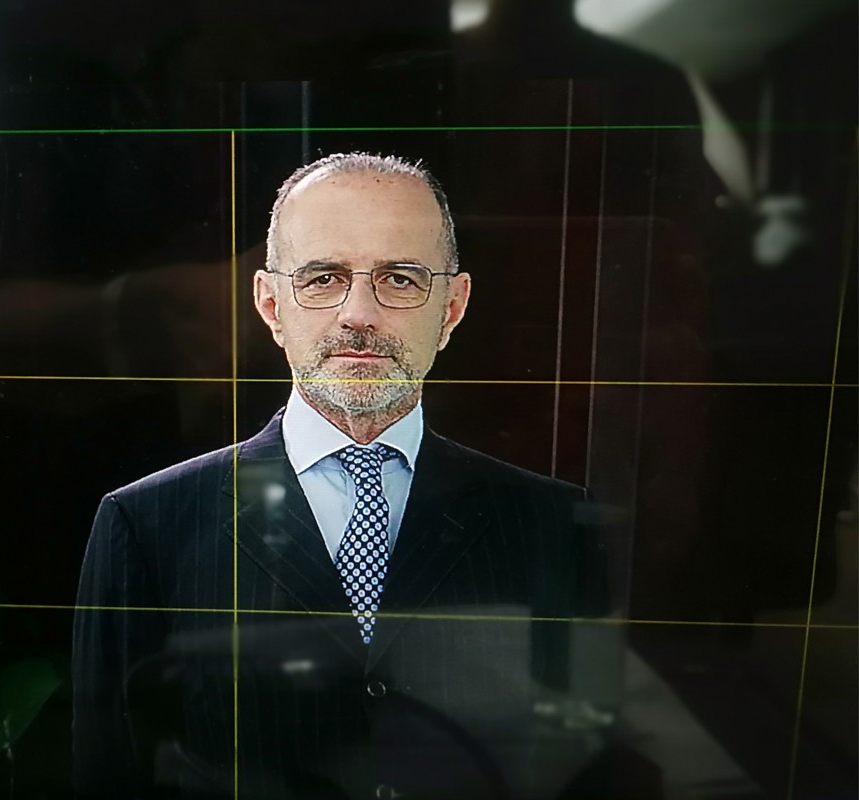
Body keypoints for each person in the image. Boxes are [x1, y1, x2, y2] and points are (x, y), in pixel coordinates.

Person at [73, 153, 608, 800]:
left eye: (400, 279)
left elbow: (589, 769)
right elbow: (110, 773)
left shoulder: (555, 526)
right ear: (270, 304)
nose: (359, 313)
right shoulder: (147, 525)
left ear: (452, 307)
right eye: (323, 277)